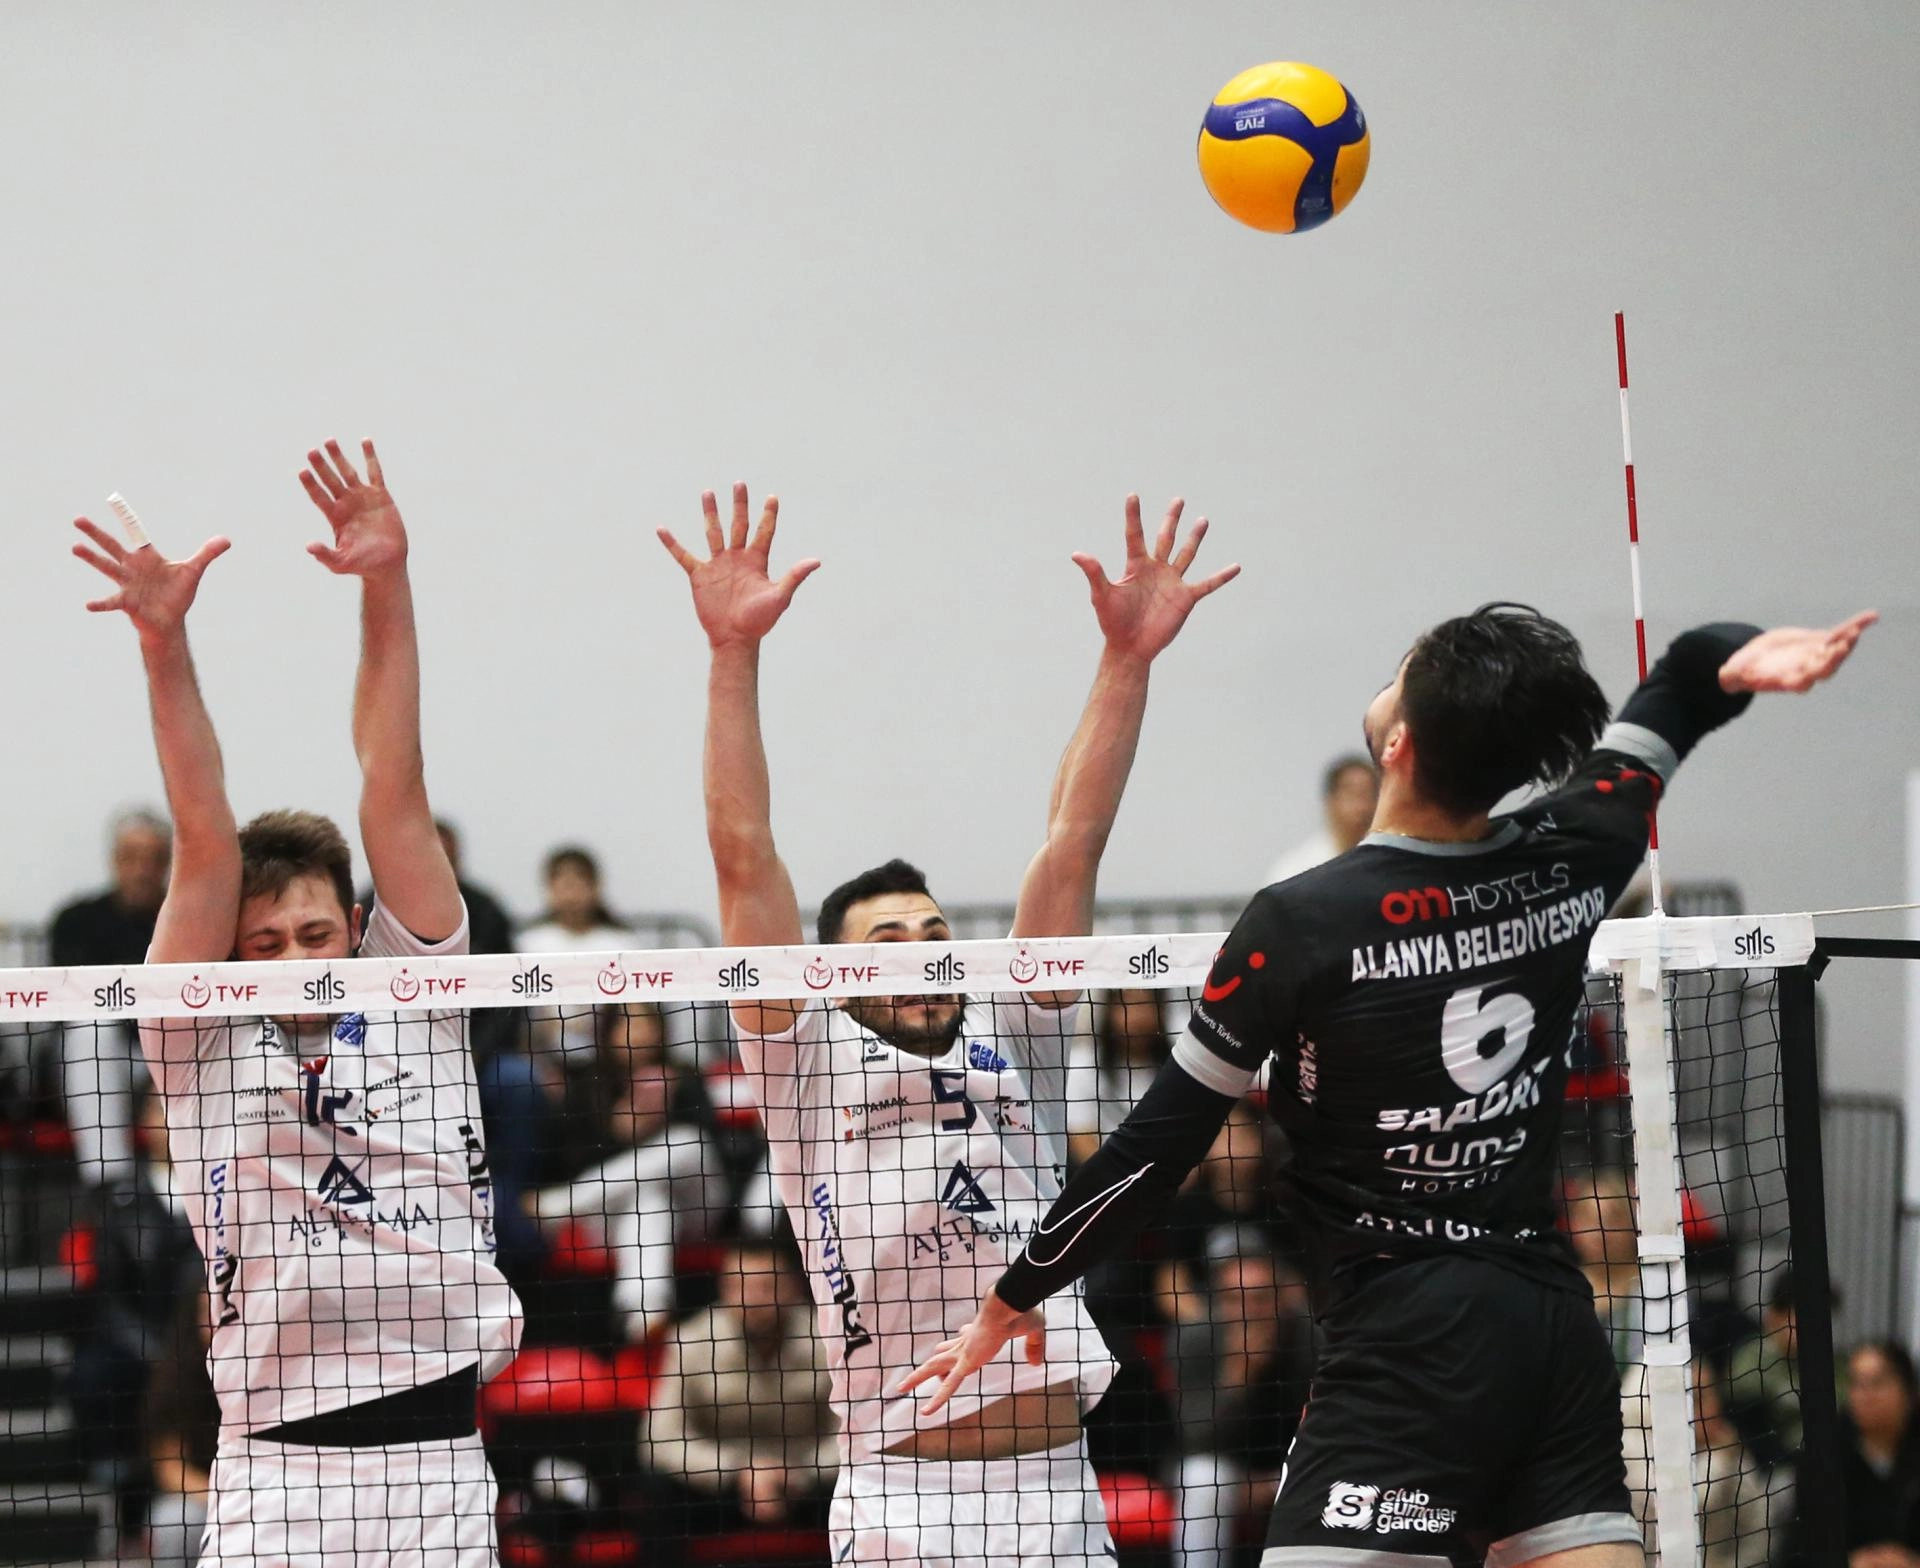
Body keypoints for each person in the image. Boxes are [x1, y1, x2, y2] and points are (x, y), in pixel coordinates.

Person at [908, 600, 1875, 1568]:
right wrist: (1748, 654)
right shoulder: (1578, 848)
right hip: (1548, 1326)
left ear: (1400, 743)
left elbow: (1156, 1146)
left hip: (1409, 1336)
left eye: (1402, 671)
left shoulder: (1302, 921)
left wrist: (1015, 1292)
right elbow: (1686, 682)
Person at [659, 483, 1236, 1568]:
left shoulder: (1015, 1026)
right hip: (905, 1505)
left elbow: (1071, 840)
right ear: (835, 975)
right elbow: (743, 855)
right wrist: (733, 654)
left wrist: (1127, 659)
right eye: (887, 939)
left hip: (1057, 1496)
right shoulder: (803, 1057)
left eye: (934, 932)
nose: (922, 948)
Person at [72, 438, 522, 1568]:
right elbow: (201, 837)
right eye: (264, 945)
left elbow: (393, 784)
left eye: (316, 936)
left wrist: (387, 583)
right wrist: (164, 645)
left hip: (437, 1467)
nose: (293, 959)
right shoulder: (197, 1036)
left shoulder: (415, 987)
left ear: (355, 927)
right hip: (274, 1475)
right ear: (232, 955)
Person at [640, 1238, 837, 1557]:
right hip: (722, 1491)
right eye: (740, 1286)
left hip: (808, 1487)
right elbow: (660, 1438)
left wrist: (802, 1473)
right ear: (723, 1289)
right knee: (656, 1487)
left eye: (766, 1287)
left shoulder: (830, 1342)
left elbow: (855, 1434)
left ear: (794, 1288)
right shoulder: (691, 1342)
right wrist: (736, 1474)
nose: (753, 1300)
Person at [530, 1051, 729, 1343]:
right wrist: (620, 1134)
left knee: (687, 1142)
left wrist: (671, 1110)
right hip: (618, 1217)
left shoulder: (685, 1074)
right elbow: (573, 1159)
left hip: (697, 1210)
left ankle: (560, 1204)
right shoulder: (598, 1087)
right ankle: (644, 1314)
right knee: (649, 1201)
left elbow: (714, 1139)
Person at [53, 808, 171, 1186]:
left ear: (168, 863)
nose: (141, 870)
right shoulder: (76, 921)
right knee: (91, 1029)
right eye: (130, 857)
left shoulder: (184, 921)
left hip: (169, 1053)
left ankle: (185, 1193)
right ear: (114, 860)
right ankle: (108, 1184)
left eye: (153, 858)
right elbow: (66, 1003)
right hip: (106, 1058)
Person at [1838, 1341, 1920, 1567]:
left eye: (1877, 1382)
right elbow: (1799, 1546)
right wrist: (1849, 1562)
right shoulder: (1825, 1459)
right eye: (1856, 1383)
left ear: (1908, 1391)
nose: (1864, 1395)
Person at [1259, 753, 1377, 886]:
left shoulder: (1387, 866)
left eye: (1370, 795)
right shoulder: (1295, 871)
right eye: (1352, 794)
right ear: (1330, 801)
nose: (1362, 807)